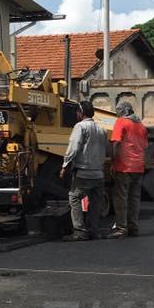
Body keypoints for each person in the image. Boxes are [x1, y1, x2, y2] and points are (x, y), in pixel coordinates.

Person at [60, 100, 108, 241]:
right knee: (96, 202)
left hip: (83, 173)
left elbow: (74, 147)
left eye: (77, 111)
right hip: (98, 174)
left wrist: (65, 165)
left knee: (74, 197)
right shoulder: (102, 130)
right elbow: (106, 150)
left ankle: (80, 231)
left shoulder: (80, 127)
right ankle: (94, 230)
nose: (76, 114)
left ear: (81, 113)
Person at [108, 100, 149, 239]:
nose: (118, 113)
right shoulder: (141, 126)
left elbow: (116, 143)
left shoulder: (121, 122)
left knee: (121, 198)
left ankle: (121, 228)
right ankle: (133, 227)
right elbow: (144, 146)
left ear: (124, 111)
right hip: (138, 167)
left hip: (124, 166)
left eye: (119, 111)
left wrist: (113, 162)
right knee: (134, 199)